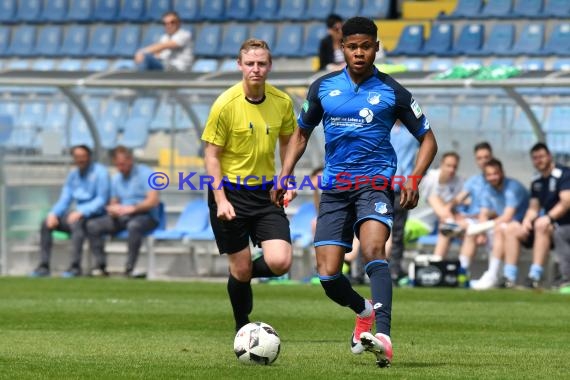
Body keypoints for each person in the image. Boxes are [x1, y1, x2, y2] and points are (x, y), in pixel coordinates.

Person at [273, 17, 438, 368]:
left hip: (375, 184)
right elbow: (301, 133)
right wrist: (285, 174)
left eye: (366, 46)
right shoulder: (322, 88)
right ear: (342, 47)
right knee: (329, 275)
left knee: (374, 249)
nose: (359, 52)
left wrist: (413, 178)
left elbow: (428, 139)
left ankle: (385, 336)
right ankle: (363, 311)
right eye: (352, 46)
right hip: (335, 189)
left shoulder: (393, 92)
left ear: (377, 47)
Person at [201, 39, 296, 332]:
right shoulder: (225, 105)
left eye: (262, 63)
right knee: (241, 268)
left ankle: (240, 272)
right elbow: (211, 155)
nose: (256, 69)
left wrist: (287, 178)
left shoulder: (282, 101)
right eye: (250, 63)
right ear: (239, 65)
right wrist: (221, 199)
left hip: (266, 192)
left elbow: (289, 141)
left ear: (270, 65)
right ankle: (243, 326)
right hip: (230, 193)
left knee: (280, 262)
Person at [493, 143, 570, 289]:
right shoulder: (536, 180)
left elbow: (566, 201)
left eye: (541, 157)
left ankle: (535, 276)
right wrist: (527, 221)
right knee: (512, 228)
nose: (538, 161)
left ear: (549, 156)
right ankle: (509, 276)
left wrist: (549, 218)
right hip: (548, 226)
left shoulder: (564, 174)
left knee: (541, 224)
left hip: (564, 225)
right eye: (534, 158)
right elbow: (534, 207)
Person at [30, 145, 109, 278]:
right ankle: (44, 265)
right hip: (76, 214)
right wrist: (53, 213)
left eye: (83, 156)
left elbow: (102, 199)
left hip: (95, 215)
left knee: (76, 224)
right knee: (46, 223)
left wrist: (82, 211)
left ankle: (75, 266)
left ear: (89, 157)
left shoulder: (100, 173)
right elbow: (65, 199)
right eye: (77, 157)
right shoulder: (73, 176)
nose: (80, 160)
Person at [86, 146, 160, 277]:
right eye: (118, 165)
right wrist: (113, 209)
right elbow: (114, 201)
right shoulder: (116, 179)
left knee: (134, 226)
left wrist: (133, 208)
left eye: (123, 164)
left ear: (130, 160)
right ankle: (100, 266)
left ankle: (130, 268)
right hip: (123, 216)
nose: (121, 167)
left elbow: (153, 201)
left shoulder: (147, 174)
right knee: (93, 225)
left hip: (145, 215)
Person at [467, 159, 529, 290]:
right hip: (504, 226)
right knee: (492, 230)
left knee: (500, 229)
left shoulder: (513, 187)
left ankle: (496, 275)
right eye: (489, 175)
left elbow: (508, 216)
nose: (492, 177)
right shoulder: (487, 189)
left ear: (502, 173)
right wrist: (481, 232)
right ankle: (465, 274)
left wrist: (480, 228)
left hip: (525, 227)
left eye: (495, 173)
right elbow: (483, 214)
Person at [386, 121, 419, 284]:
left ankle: (393, 270)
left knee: (397, 233)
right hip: (383, 186)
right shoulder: (384, 126)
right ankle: (368, 270)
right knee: (374, 230)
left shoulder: (412, 130)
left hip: (399, 188)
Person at [419, 152, 465, 259]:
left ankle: (438, 262)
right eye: (449, 166)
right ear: (441, 164)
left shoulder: (459, 181)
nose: (452, 170)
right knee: (446, 222)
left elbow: (463, 202)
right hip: (421, 221)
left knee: (446, 226)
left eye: (455, 167)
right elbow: (431, 200)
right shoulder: (430, 178)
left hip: (443, 222)